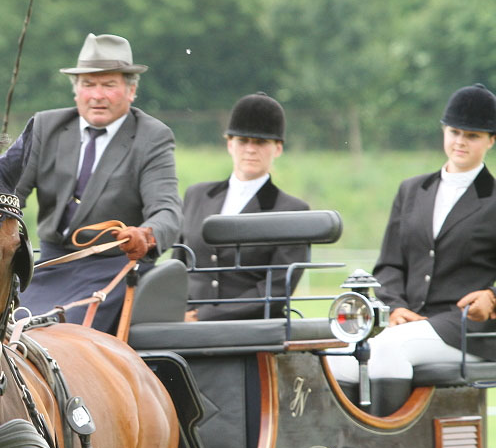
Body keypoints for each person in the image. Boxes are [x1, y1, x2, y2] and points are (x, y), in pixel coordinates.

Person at [328, 83, 496, 414]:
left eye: (472, 136)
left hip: (465, 329)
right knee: (336, 361)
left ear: (491, 140)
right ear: (444, 131)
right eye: (454, 132)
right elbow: (389, 265)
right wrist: (395, 306)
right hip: (409, 322)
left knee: (388, 348)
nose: (460, 141)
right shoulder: (411, 191)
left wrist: (492, 298)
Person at [14, 33, 182, 333]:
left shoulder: (151, 137)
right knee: (3, 328)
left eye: (109, 85)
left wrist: (145, 235)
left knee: (62, 334)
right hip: (49, 266)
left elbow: (168, 211)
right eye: (88, 84)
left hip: (114, 268)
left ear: (131, 91)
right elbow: (10, 193)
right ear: (76, 91)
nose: (97, 95)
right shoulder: (44, 126)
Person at [181, 93, 310, 321]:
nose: (250, 149)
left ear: (277, 148)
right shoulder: (196, 195)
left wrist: (206, 316)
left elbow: (278, 288)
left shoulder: (292, 211)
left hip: (249, 328)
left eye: (260, 142)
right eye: (243, 141)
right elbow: (178, 266)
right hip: (184, 323)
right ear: (230, 144)